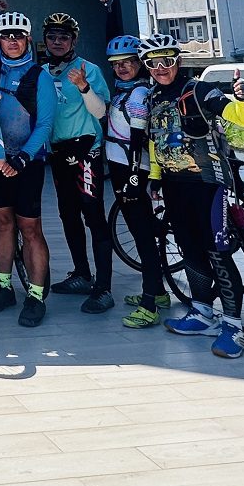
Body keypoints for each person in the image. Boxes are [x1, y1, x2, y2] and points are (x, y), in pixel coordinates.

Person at [139, 32, 244, 359]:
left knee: (216, 252)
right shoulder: (151, 96)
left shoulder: (199, 90)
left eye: (167, 60)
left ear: (178, 60)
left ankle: (233, 324)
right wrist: (155, 177)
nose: (160, 67)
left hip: (209, 185)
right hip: (175, 186)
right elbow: (154, 139)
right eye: (153, 62)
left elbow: (243, 119)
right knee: (188, 249)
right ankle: (203, 313)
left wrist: (243, 99)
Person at [0, 11, 56, 325]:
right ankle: (4, 286)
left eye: (18, 36)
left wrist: (22, 158)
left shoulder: (40, 75)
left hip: (27, 162)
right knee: (2, 224)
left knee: (30, 228)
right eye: (6, 36)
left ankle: (35, 296)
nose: (12, 41)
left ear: (27, 40)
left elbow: (45, 123)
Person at [40, 11, 114, 314]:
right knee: (68, 215)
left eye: (64, 37)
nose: (57, 42)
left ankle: (104, 288)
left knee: (93, 218)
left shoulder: (88, 69)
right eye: (52, 36)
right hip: (58, 153)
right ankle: (82, 274)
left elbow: (100, 113)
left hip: (87, 152)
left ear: (74, 40)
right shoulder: (43, 71)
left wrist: (84, 87)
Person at [101, 36, 167, 329]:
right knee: (142, 230)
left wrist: (132, 179)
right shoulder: (122, 92)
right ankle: (161, 292)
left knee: (142, 235)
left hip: (132, 169)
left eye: (128, 62)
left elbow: (138, 141)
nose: (122, 68)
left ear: (140, 62)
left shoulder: (139, 94)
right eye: (116, 64)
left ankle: (150, 303)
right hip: (120, 167)